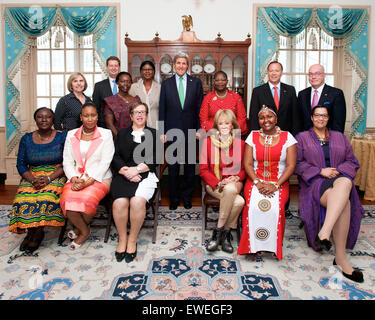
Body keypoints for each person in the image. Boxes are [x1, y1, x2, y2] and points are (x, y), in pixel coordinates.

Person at [294, 105, 364, 283]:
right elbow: (297, 164)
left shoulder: (340, 137)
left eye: (324, 116)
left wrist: (337, 170)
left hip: (339, 179)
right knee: (345, 201)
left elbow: (352, 161)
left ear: (328, 118)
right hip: (315, 182)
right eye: (317, 115)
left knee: (345, 182)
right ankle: (340, 258)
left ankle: (325, 232)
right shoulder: (302, 138)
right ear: (311, 118)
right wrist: (320, 171)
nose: (320, 119)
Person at [238, 105, 297, 260]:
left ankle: (272, 246)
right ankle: (251, 246)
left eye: (269, 116)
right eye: (262, 117)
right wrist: (257, 183)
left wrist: (275, 185)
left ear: (276, 119)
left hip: (279, 182)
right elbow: (247, 164)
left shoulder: (288, 137)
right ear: (258, 121)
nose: (266, 120)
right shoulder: (252, 136)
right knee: (252, 208)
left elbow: (291, 166)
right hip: (255, 181)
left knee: (275, 209)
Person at [9, 107, 67, 253]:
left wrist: (49, 178)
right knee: (22, 198)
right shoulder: (27, 138)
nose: (44, 120)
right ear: (35, 120)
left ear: (53, 119)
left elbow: (68, 162)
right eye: (40, 117)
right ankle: (31, 231)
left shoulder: (62, 136)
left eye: (47, 117)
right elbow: (21, 164)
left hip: (56, 173)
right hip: (32, 174)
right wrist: (32, 179)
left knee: (45, 197)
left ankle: (38, 232)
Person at [60, 102, 114, 250]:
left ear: (97, 117)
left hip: (100, 177)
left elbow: (105, 162)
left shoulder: (106, 134)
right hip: (76, 177)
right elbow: (67, 161)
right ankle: (85, 230)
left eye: (93, 115)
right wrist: (74, 178)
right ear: (81, 117)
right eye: (86, 115)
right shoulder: (72, 135)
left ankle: (80, 231)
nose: (90, 119)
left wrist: (88, 181)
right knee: (67, 200)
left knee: (86, 200)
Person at [110, 102, 158, 263]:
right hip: (124, 174)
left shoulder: (154, 134)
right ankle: (122, 239)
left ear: (146, 115)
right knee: (119, 203)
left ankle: (132, 239)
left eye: (143, 112)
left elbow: (155, 158)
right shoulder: (122, 134)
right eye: (136, 112)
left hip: (145, 174)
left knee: (137, 202)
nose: (139, 115)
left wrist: (136, 170)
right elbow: (115, 157)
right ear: (130, 116)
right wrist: (126, 171)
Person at [159, 51, 203, 210]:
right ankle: (174, 198)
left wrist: (199, 128)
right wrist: (161, 132)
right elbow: (162, 109)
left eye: (184, 63)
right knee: (173, 168)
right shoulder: (166, 84)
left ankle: (187, 196)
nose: (181, 66)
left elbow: (200, 108)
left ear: (187, 66)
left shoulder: (196, 83)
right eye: (178, 63)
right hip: (171, 132)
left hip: (191, 131)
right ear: (174, 65)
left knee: (190, 167)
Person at [199, 109, 246, 253]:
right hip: (215, 184)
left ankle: (217, 230)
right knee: (239, 202)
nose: (224, 126)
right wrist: (218, 182)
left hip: (234, 182)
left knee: (231, 188)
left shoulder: (241, 143)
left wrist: (237, 176)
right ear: (216, 126)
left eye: (227, 123)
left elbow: (245, 169)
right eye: (221, 123)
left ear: (232, 125)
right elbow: (203, 170)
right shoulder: (207, 143)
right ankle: (226, 234)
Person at [249, 61, 300, 136]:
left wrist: (295, 136)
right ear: (267, 73)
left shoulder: (290, 90)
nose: (274, 73)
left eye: (277, 71)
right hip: (264, 135)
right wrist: (255, 136)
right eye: (271, 71)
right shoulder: (257, 91)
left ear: (281, 73)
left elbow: (295, 116)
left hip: (286, 135)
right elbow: (253, 117)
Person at [298, 64, 346, 133]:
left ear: (324, 75)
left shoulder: (336, 93)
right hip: (306, 138)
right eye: (310, 74)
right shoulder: (302, 94)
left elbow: (339, 122)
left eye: (317, 74)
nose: (313, 77)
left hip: (328, 138)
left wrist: (336, 139)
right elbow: (299, 120)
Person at [199, 71, 248, 136]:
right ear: (214, 82)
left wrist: (229, 130)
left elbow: (242, 118)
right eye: (217, 80)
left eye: (223, 80)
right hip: (213, 135)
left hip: (232, 135)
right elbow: (203, 119)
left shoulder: (236, 97)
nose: (220, 82)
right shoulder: (208, 98)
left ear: (227, 81)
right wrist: (218, 130)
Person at [104, 71, 141, 139]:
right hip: (118, 139)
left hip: (136, 138)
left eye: (128, 81)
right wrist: (121, 140)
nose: (126, 84)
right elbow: (110, 125)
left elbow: (141, 120)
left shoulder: (136, 100)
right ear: (117, 82)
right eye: (122, 81)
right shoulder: (110, 101)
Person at [129, 60, 161, 129]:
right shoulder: (133, 87)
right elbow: (130, 107)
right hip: (138, 127)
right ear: (141, 72)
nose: (147, 71)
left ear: (154, 72)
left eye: (150, 69)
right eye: (144, 69)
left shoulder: (160, 88)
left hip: (156, 126)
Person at [92, 56, 121, 127]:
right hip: (104, 125)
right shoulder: (99, 86)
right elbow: (96, 108)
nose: (113, 68)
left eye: (116, 65)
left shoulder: (126, 84)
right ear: (107, 67)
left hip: (123, 125)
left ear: (119, 68)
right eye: (111, 66)